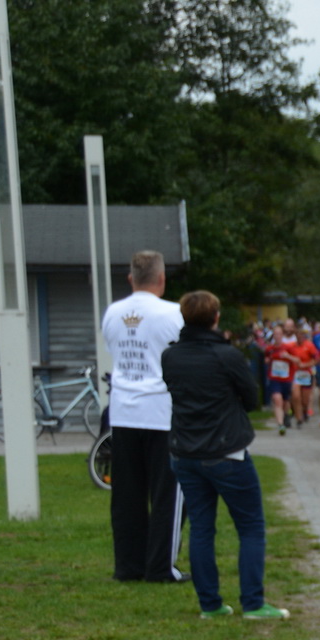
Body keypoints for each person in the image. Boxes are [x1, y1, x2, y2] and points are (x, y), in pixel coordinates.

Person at [160, 290, 288, 621]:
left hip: (185, 451)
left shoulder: (170, 356)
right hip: (226, 451)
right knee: (250, 526)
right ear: (216, 318)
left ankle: (211, 605)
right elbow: (251, 398)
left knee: (202, 527)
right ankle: (254, 603)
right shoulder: (226, 355)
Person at [103, 249, 186, 583]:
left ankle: (128, 565)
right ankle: (160, 566)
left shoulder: (113, 312)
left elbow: (113, 351)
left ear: (130, 279)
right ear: (162, 279)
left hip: (124, 410)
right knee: (165, 494)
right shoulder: (173, 313)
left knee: (126, 495)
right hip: (161, 411)